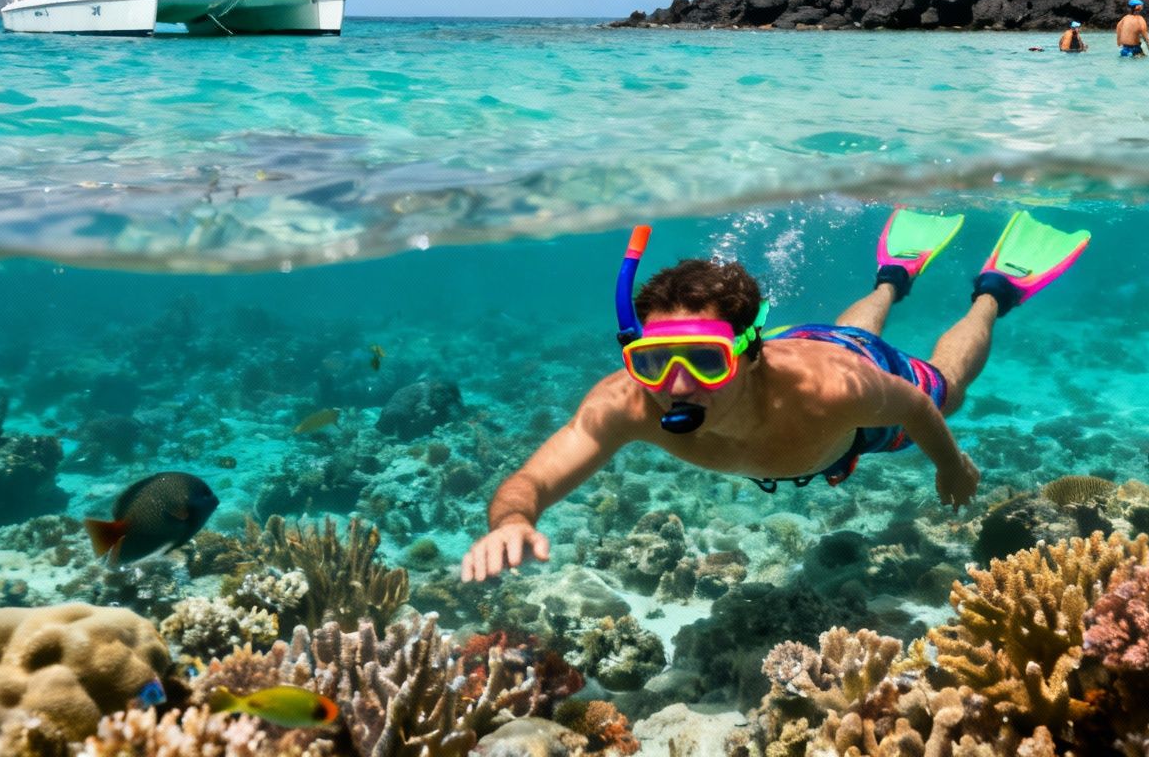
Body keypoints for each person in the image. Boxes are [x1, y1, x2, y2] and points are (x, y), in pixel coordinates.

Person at [460, 210, 1093, 583]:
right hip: (810, 348)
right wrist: (512, 520)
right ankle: (892, 278)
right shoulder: (628, 403)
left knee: (943, 388)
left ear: (747, 352)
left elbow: (915, 407)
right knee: (846, 331)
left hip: (850, 379)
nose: (676, 385)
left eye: (704, 361)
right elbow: (530, 482)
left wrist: (951, 467)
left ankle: (993, 290)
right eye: (653, 361)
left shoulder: (832, 393)